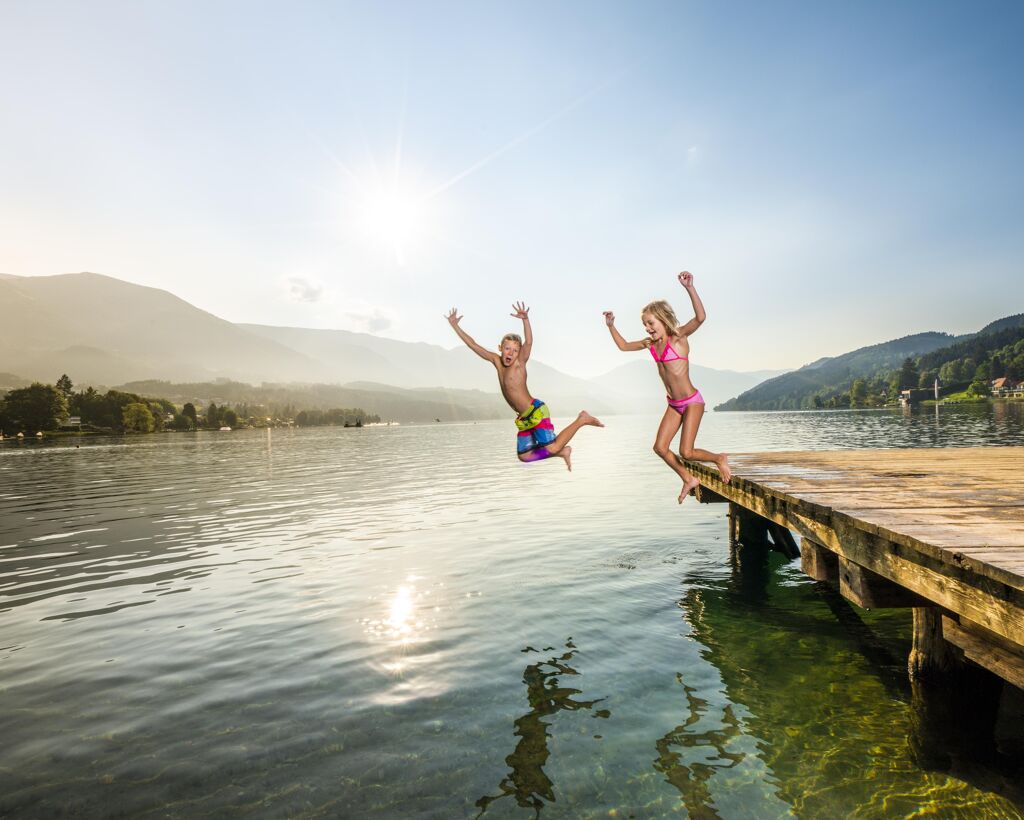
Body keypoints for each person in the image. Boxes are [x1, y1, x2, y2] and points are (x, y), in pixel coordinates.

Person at [603, 271, 731, 502]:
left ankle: (719, 458)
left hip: (692, 402)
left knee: (687, 452)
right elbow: (623, 346)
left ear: (663, 320)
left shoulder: (678, 338)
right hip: (673, 404)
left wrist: (689, 287)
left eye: (651, 323)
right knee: (660, 448)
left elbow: (700, 318)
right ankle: (688, 479)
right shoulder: (650, 344)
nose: (648, 328)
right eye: (645, 325)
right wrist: (611, 325)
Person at [447, 302, 603, 470]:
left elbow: (528, 342)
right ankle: (562, 452)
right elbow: (473, 345)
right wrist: (455, 326)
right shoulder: (496, 362)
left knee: (552, 446)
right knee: (525, 456)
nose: (510, 353)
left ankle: (581, 419)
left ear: (519, 353)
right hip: (524, 417)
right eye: (507, 349)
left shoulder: (519, 364)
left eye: (515, 350)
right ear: (500, 348)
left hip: (536, 411)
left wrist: (525, 320)